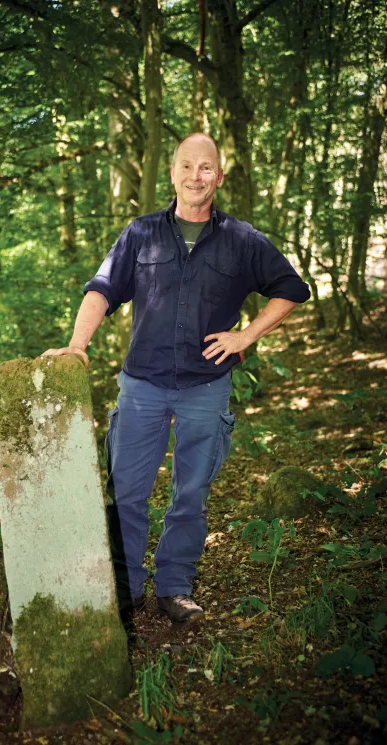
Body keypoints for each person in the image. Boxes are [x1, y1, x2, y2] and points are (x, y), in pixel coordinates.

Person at [42, 133, 310, 623]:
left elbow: (292, 288)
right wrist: (77, 345)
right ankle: (124, 589)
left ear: (219, 177)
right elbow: (102, 289)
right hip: (141, 386)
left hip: (205, 389)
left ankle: (175, 588)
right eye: (187, 166)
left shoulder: (243, 240)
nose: (195, 176)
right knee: (127, 491)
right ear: (172, 173)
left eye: (206, 168)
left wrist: (246, 335)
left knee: (191, 493)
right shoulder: (140, 233)